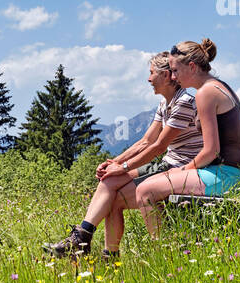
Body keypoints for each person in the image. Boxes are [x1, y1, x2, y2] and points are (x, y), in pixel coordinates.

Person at [46, 51, 203, 258]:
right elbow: (145, 141)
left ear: (166, 76)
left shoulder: (183, 102)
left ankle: (88, 243)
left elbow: (158, 147)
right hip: (168, 165)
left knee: (113, 195)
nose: (148, 79)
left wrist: (124, 167)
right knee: (110, 182)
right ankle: (89, 243)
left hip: (180, 169)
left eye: (151, 73)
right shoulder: (166, 104)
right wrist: (113, 162)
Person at [134, 39, 240, 236]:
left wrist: (184, 168)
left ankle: (162, 253)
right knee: (155, 183)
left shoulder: (205, 93)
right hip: (230, 171)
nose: (174, 77)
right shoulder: (219, 86)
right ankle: (175, 242)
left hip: (227, 176)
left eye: (176, 70)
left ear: (192, 67)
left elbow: (212, 150)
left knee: (145, 191)